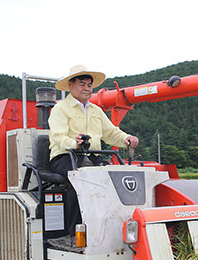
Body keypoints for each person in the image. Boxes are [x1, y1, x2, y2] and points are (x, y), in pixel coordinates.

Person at [47, 65, 139, 249]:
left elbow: (111, 132)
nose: (87, 88)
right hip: (65, 156)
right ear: (70, 86)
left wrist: (126, 138)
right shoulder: (60, 109)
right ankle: (72, 234)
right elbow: (58, 136)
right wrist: (75, 142)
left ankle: (107, 230)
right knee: (80, 182)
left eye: (89, 85)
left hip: (93, 156)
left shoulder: (96, 111)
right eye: (82, 84)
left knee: (113, 179)